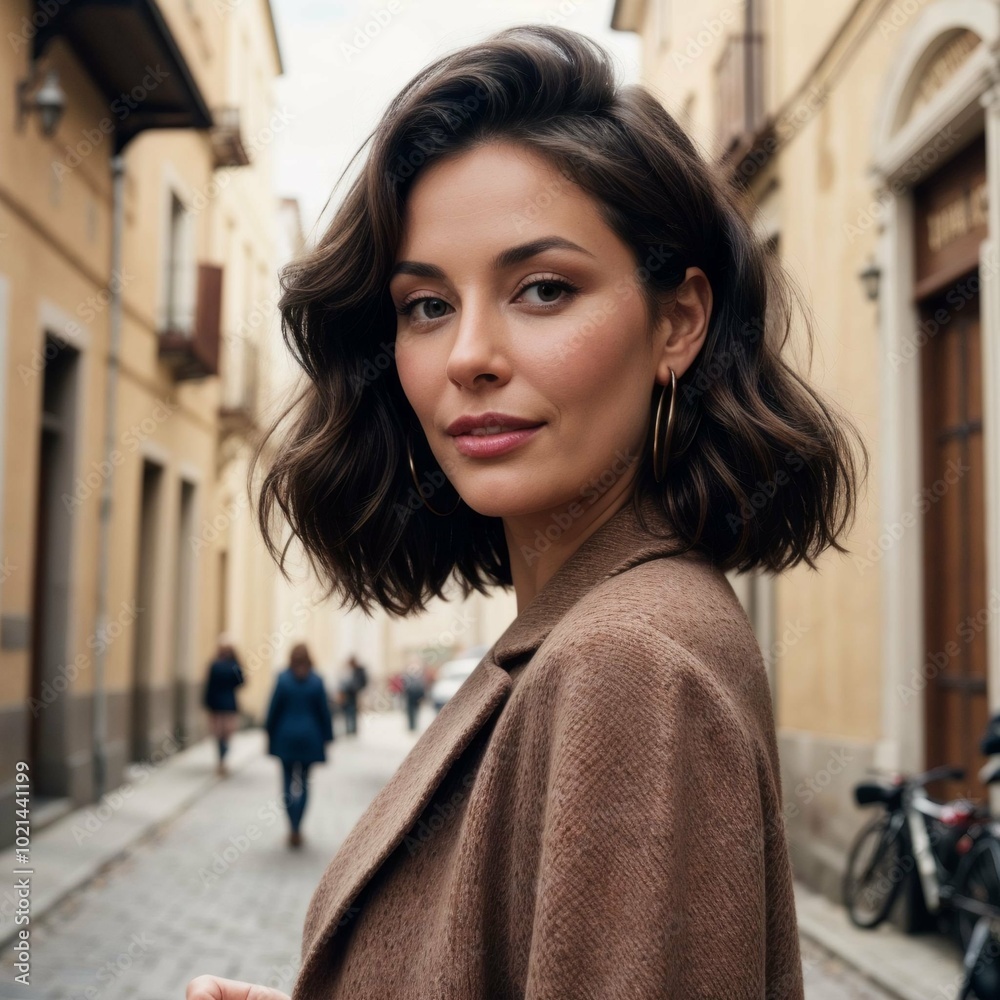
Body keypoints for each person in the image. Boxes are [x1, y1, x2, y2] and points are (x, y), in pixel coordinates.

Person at [190, 23, 868, 1000]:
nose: (469, 354)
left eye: (543, 289)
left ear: (678, 321)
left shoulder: (628, 663)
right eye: (427, 306)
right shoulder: (592, 627)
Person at [264, 643, 334, 848]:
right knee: (303, 783)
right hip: (309, 738)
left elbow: (273, 710)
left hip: (285, 737)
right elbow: (324, 712)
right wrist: (328, 737)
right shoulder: (317, 681)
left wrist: (268, 732)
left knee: (287, 782)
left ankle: (292, 826)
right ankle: (298, 826)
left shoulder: (282, 679)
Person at [201, 636, 244, 776]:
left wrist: (207, 702)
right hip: (228, 702)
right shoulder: (234, 665)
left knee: (219, 733)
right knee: (226, 732)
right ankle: (223, 756)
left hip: (217, 703)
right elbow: (241, 681)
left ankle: (222, 757)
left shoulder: (215, 665)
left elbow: (209, 685)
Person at [339, 655, 368, 735]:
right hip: (349, 694)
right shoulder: (353, 671)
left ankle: (352, 729)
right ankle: (350, 729)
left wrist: (354, 688)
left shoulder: (359, 671)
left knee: (352, 711)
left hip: (353, 693)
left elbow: (360, 683)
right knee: (349, 712)